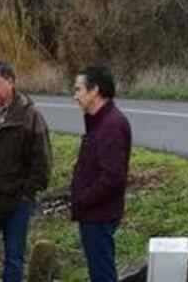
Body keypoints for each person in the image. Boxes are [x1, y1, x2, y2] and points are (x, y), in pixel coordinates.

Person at [0, 61, 52, 282]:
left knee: (14, 259)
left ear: (11, 83)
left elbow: (42, 163)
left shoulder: (30, 116)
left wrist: (25, 193)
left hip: (16, 203)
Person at [70, 66, 132, 282]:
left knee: (102, 274)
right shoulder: (97, 121)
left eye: (78, 90)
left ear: (94, 90)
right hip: (94, 212)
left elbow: (113, 176)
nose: (75, 95)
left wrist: (83, 199)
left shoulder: (110, 125)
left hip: (99, 213)